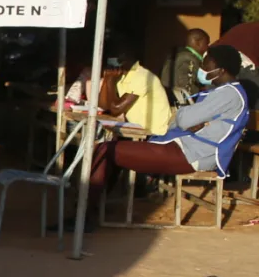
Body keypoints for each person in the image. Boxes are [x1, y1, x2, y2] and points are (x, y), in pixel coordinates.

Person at [90, 45, 249, 201]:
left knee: (105, 149)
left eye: (206, 64)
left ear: (221, 70)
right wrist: (190, 119)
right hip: (184, 146)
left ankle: (86, 210)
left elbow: (183, 119)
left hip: (193, 154)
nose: (202, 67)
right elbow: (182, 122)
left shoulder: (229, 94)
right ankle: (94, 204)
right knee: (108, 148)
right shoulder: (222, 92)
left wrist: (185, 115)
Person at [104, 40, 172, 137]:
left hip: (154, 136)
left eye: (114, 55)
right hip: (137, 132)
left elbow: (116, 109)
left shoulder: (142, 76)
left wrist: (110, 80)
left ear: (124, 57)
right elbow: (103, 105)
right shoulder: (121, 76)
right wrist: (107, 79)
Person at [160, 28, 211, 103]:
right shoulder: (189, 60)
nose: (208, 47)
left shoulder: (177, 56)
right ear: (198, 42)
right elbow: (188, 89)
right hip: (180, 105)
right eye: (206, 43)